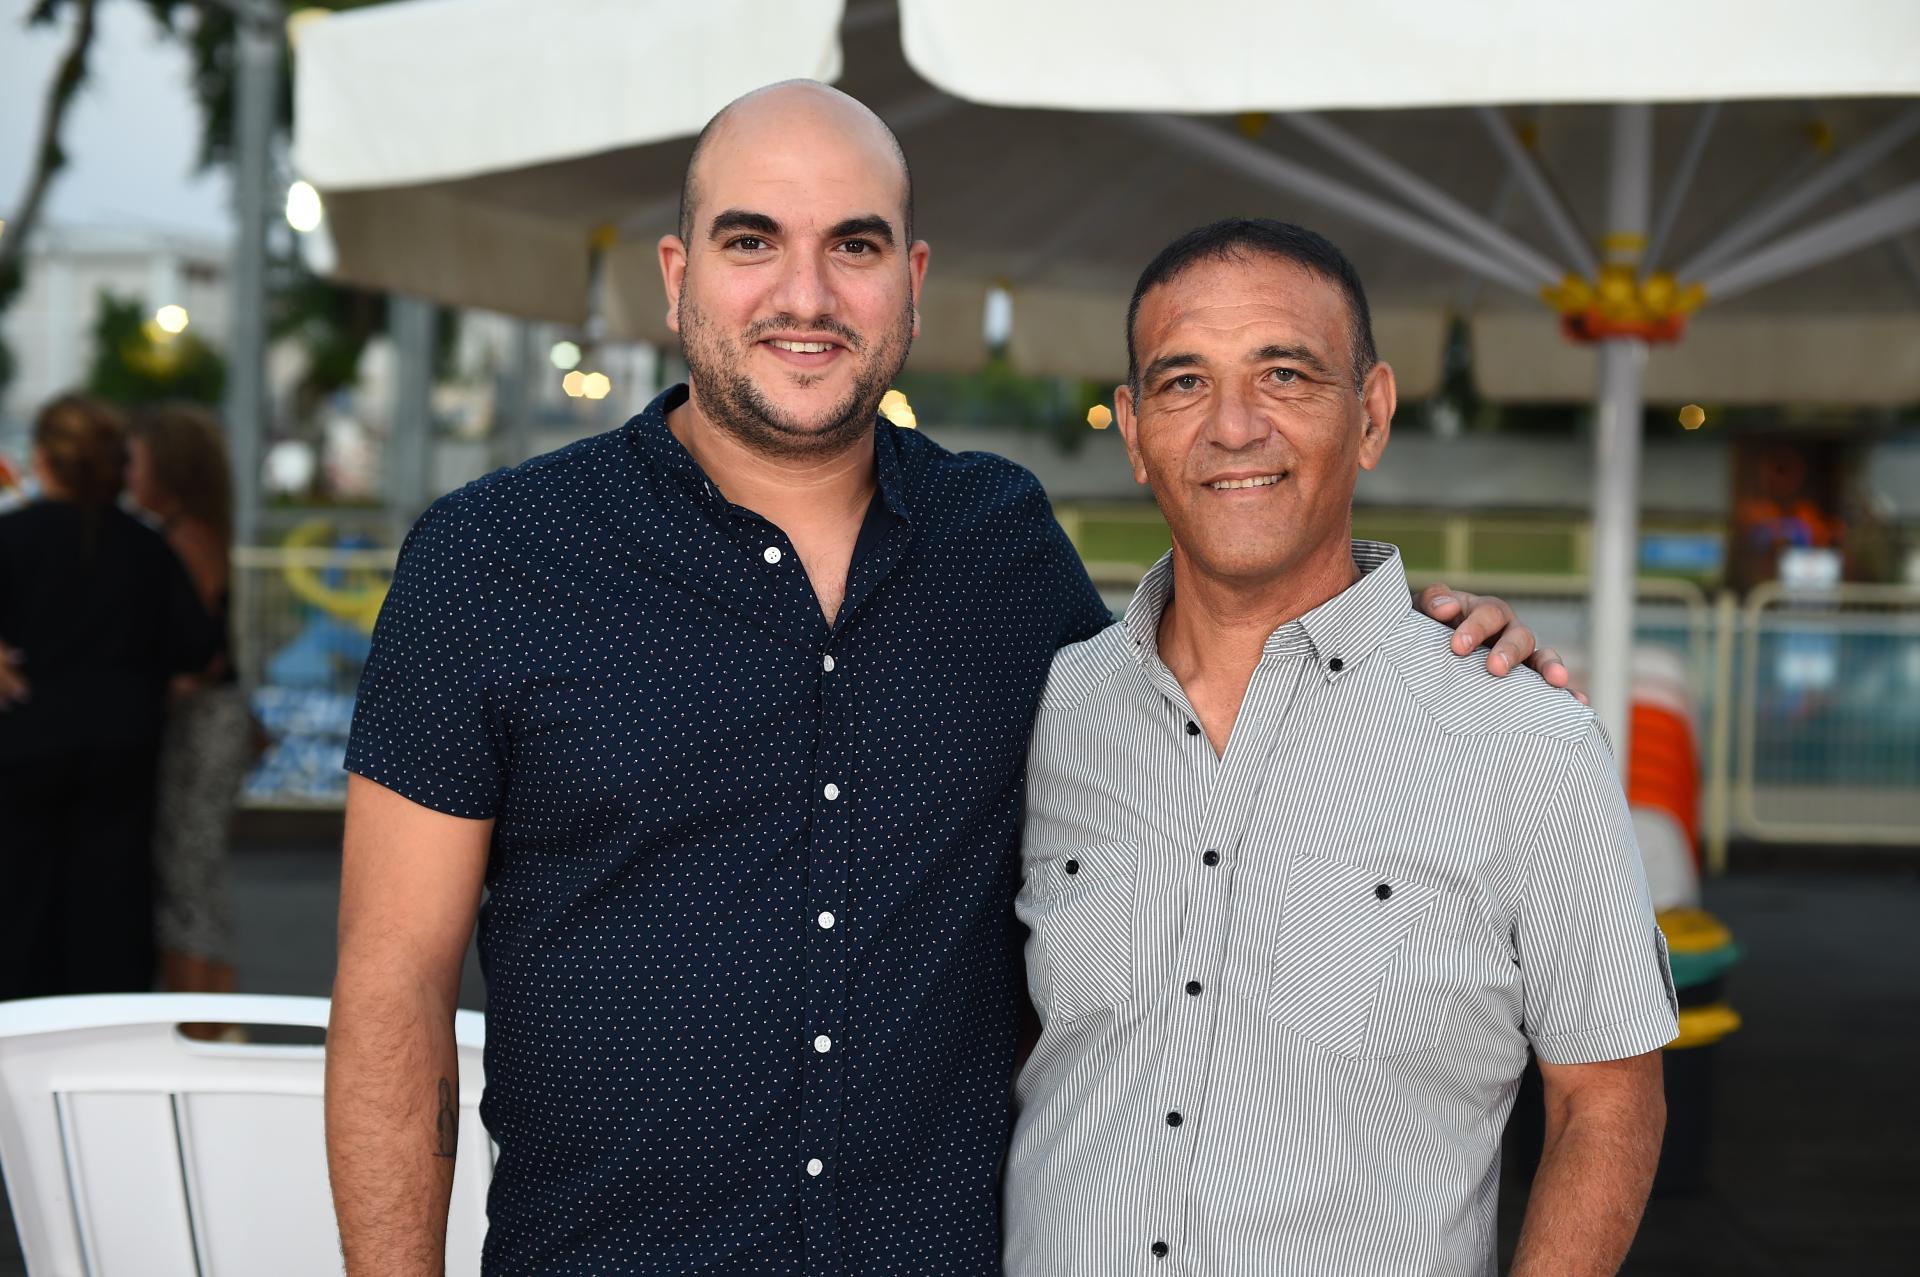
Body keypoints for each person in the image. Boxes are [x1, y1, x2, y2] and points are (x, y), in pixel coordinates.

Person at [325, 82, 1566, 1275]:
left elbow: (1197, 734)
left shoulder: (1002, 546)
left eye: (854, 245)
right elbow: (393, 987)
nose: (805, 293)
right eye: (752, 240)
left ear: (912, 284)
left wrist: (1421, 647)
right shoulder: (494, 560)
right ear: (677, 272)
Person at [1005, 219, 1677, 1277]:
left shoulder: (1524, 738)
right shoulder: (1049, 709)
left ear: (1371, 414)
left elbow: (1607, 1098)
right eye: (1184, 382)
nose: (1234, 426)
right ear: (1133, 432)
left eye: (1284, 374)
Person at [0, 394, 218, 1000]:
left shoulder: (11, 537)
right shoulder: (146, 547)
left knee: (17, 905)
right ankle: (103, 1038)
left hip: (21, 745)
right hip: (124, 749)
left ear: (43, 460)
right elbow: (197, 647)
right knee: (112, 906)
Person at [127, 404, 250, 1002]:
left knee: (187, 879)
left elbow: (201, 654)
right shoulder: (202, 530)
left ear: (166, 467)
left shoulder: (181, 540)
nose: (126, 474)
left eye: (134, 461)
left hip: (202, 725)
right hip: (217, 721)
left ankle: (202, 1022)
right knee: (194, 877)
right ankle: (211, 1017)